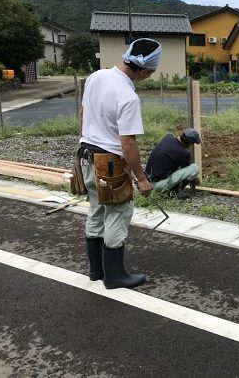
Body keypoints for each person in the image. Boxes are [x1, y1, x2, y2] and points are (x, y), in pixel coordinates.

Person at [79, 38, 161, 290]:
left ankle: (97, 270)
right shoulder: (128, 96)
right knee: (117, 214)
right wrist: (142, 178)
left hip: (85, 155)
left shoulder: (97, 76)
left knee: (96, 209)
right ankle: (114, 276)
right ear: (145, 70)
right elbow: (128, 145)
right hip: (110, 163)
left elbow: (83, 113)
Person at [145, 128, 201, 199]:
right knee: (194, 168)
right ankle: (174, 192)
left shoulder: (168, 137)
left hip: (146, 182)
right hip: (158, 185)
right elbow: (186, 169)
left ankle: (168, 189)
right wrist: (194, 179)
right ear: (189, 144)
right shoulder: (184, 153)